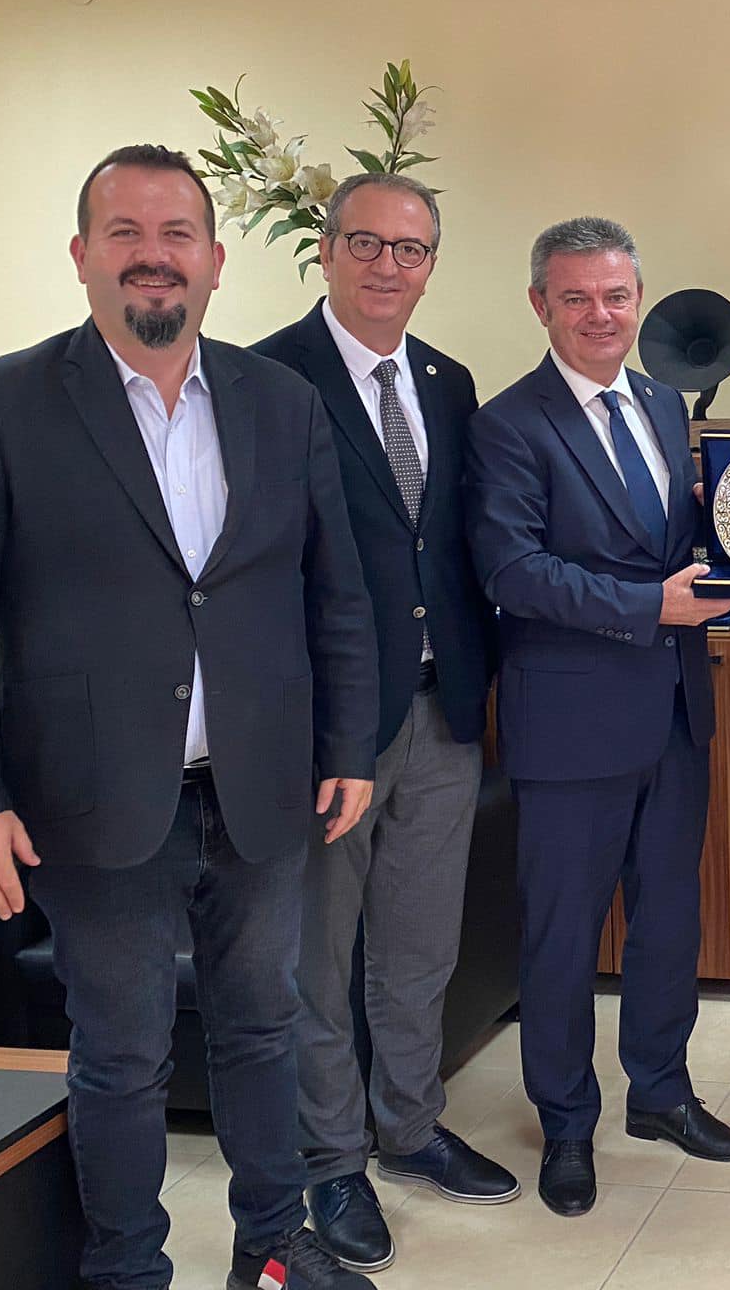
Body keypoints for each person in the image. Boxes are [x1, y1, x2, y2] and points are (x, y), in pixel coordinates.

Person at [0, 145, 381, 1290]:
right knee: (119, 1055)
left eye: (175, 235)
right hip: (91, 797)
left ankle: (271, 1246)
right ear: (82, 256)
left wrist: (348, 746)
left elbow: (335, 593)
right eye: (125, 233)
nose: (152, 256)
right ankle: (124, 1271)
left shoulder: (281, 403)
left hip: (258, 788)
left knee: (262, 1028)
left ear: (214, 260)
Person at [252, 173, 514, 1271]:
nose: (387, 266)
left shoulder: (448, 383)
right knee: (321, 956)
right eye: (365, 243)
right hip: (330, 728)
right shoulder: (266, 377)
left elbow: (448, 546)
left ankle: (408, 1127)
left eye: (410, 249)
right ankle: (330, 1160)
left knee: (418, 943)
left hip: (442, 707)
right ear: (326, 250)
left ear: (431, 265)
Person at [466, 216, 730, 1221]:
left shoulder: (664, 404)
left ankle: (661, 1093)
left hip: (673, 712)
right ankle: (566, 1123)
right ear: (540, 305)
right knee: (561, 936)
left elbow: (670, 542)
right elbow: (512, 571)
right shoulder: (507, 425)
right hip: (569, 724)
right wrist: (650, 606)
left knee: (669, 921)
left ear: (638, 301)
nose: (600, 315)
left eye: (616, 296)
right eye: (577, 297)